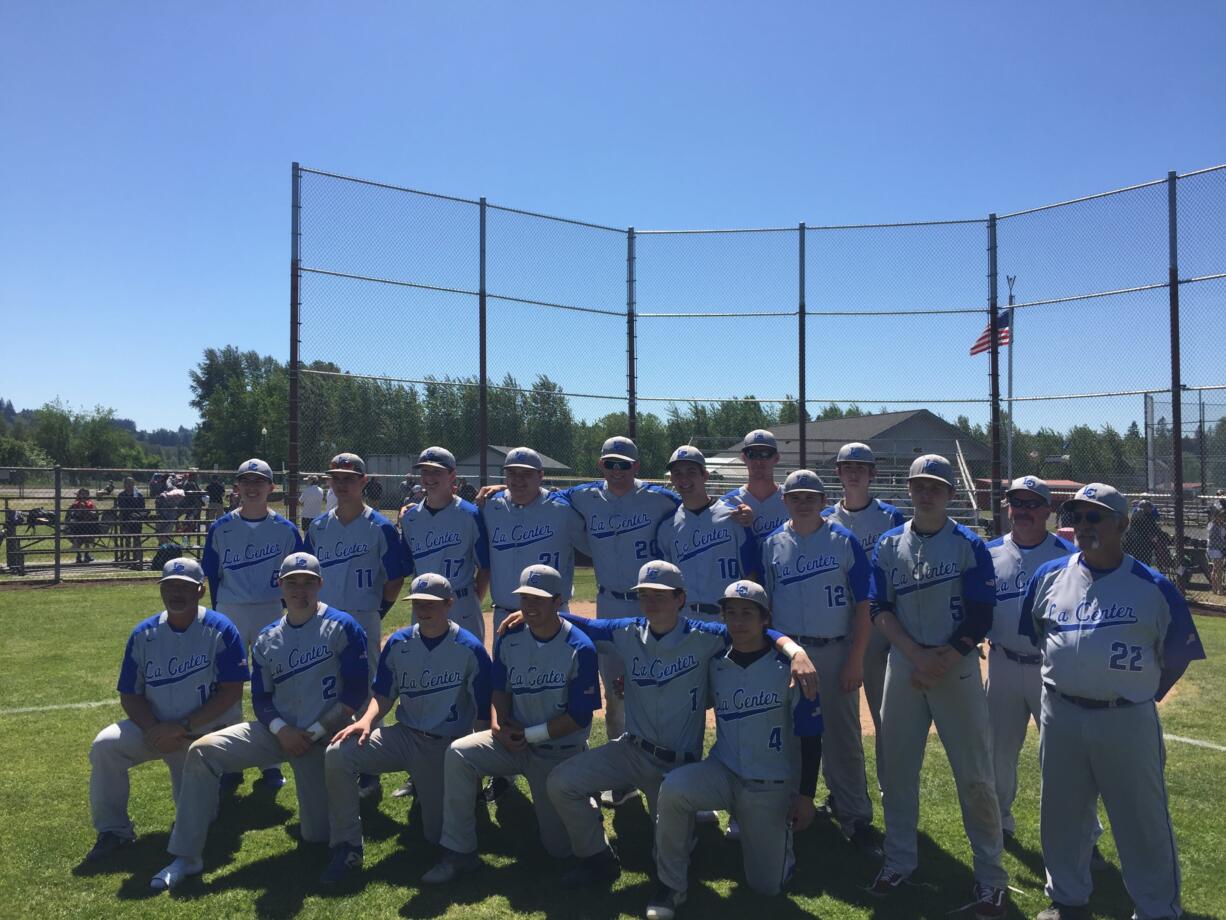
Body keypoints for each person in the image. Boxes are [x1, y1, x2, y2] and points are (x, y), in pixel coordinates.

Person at [536, 561, 817, 888]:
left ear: (680, 598)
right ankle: (596, 858)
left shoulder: (706, 635)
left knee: (692, 858)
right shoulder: (627, 630)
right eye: (645, 594)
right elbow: (585, 624)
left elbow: (758, 629)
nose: (651, 601)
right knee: (561, 782)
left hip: (675, 765)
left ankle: (689, 841)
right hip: (631, 750)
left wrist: (795, 650)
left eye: (661, 594)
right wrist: (539, 615)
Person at [1020, 483, 1205, 920]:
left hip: (1125, 718)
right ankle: (1067, 900)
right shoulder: (1049, 577)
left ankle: (1158, 909)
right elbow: (1037, 635)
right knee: (1061, 813)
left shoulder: (1152, 586)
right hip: (1060, 711)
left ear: (1122, 524)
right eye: (1077, 517)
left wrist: (1139, 693)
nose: (1083, 526)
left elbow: (1178, 654)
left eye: (1094, 516)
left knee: (1141, 822)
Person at [150, 553, 369, 891]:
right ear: (279, 586)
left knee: (317, 835)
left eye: (308, 581)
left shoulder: (343, 626)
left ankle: (345, 843)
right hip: (277, 731)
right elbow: (262, 699)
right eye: (292, 582)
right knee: (203, 751)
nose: (300, 589)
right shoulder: (268, 637)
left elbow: (354, 693)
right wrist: (283, 731)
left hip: (322, 736)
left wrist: (311, 733)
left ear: (320, 585)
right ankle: (186, 854)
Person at [866, 454, 1008, 918]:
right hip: (906, 667)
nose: (926, 493)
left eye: (935, 486)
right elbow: (879, 609)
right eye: (919, 485)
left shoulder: (969, 543)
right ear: (909, 489)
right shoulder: (889, 544)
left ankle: (990, 878)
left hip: (957, 669)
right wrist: (917, 655)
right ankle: (899, 860)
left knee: (974, 777)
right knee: (897, 774)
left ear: (949, 493)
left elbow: (981, 613)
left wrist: (942, 658)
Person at [646, 580, 824, 920]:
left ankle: (777, 846)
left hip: (767, 786)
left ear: (765, 620)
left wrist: (805, 796)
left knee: (765, 887)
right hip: (722, 772)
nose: (738, 622)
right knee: (673, 789)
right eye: (731, 614)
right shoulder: (715, 663)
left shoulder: (791, 671)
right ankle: (670, 885)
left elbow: (812, 736)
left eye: (747, 614)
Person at [420, 564, 601, 885]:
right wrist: (497, 725)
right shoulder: (510, 636)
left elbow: (579, 718)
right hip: (514, 743)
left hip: (556, 751)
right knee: (460, 753)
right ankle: (458, 850)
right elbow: (499, 689)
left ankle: (584, 801)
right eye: (525, 598)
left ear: (558, 601)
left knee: (558, 850)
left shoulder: (580, 647)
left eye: (539, 599)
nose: (529, 606)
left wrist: (525, 734)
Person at [322, 572, 492, 883]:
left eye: (432, 604)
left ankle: (464, 805)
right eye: (418, 604)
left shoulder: (469, 648)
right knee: (339, 753)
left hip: (445, 745)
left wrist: (473, 766)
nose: (424, 610)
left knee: (434, 834)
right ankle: (347, 846)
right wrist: (365, 721)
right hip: (403, 736)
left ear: (449, 604)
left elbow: (482, 712)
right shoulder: (400, 642)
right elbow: (384, 696)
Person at [82, 558, 247, 865]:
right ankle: (113, 831)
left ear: (200, 591)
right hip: (154, 729)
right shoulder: (143, 633)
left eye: (184, 587)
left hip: (200, 735)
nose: (176, 592)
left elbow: (231, 692)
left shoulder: (221, 629)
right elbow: (129, 695)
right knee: (105, 746)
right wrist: (153, 730)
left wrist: (181, 726)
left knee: (203, 818)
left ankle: (211, 793)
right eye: (169, 585)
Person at [554, 436, 681, 806]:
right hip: (609, 601)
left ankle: (668, 772)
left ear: (637, 467)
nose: (616, 470)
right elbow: (549, 498)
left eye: (624, 464)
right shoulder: (586, 495)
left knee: (659, 689)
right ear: (601, 466)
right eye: (610, 464)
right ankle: (622, 777)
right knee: (615, 694)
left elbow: (696, 505)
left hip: (650, 605)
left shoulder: (660, 497)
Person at [762, 468, 877, 854]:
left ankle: (854, 815)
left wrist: (855, 659)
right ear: (785, 501)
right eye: (796, 496)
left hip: (834, 649)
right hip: (789, 655)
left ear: (824, 501)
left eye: (811, 496)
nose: (804, 502)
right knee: (791, 737)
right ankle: (794, 810)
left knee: (842, 739)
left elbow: (864, 604)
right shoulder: (772, 543)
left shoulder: (844, 540)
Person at [984, 477, 1082, 847]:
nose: (1022, 511)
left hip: (1050, 666)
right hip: (1003, 663)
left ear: (1047, 510)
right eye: (1016, 503)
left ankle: (1081, 833)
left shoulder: (1067, 557)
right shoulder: (989, 552)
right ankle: (1000, 823)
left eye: (1031, 504)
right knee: (998, 751)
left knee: (1062, 756)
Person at [306, 452, 410, 799]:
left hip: (364, 616)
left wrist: (377, 610)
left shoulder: (379, 526)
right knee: (327, 689)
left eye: (350, 478)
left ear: (364, 482)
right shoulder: (319, 526)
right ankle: (328, 758)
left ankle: (368, 770)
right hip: (325, 618)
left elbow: (395, 578)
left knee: (366, 693)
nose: (342, 484)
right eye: (336, 478)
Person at [202, 458, 305, 791]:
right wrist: (220, 612)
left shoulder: (286, 529)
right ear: (237, 487)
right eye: (246, 480)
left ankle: (271, 763)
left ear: (270, 488)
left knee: (271, 686)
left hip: (270, 610)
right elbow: (213, 575)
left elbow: (297, 578)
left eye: (259, 481)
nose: (252, 487)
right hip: (231, 610)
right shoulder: (220, 527)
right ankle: (232, 761)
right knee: (228, 688)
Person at [820, 442, 905, 802]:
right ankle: (844, 793)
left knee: (886, 716)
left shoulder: (891, 517)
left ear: (873, 473)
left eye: (861, 466)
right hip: (838, 628)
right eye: (846, 466)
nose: (853, 472)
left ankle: (892, 789)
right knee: (838, 721)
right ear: (838, 473)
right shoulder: (824, 518)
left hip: (879, 628)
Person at [480, 446, 588, 635]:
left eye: (526, 474)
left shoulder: (562, 509)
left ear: (541, 476)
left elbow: (592, 547)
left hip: (551, 615)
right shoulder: (490, 506)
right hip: (504, 615)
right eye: (512, 473)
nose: (518, 479)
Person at [656, 446, 760, 622]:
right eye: (678, 473)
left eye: (691, 472)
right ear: (672, 478)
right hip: (685, 619)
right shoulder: (667, 526)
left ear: (705, 475)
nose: (684, 479)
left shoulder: (733, 517)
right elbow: (665, 581)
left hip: (726, 616)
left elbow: (750, 572)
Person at [399, 446, 490, 641]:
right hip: (423, 602)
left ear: (452, 476)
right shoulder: (410, 518)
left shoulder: (469, 515)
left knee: (468, 666)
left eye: (436, 472)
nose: (429, 477)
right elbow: (406, 565)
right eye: (425, 471)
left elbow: (485, 567)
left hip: (461, 602)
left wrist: (472, 600)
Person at [718, 429, 789, 543]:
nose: (758, 461)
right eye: (752, 454)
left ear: (776, 458)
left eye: (765, 454)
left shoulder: (792, 499)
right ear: (743, 458)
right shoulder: (729, 502)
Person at [115, 476, 147, 569]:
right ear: (124, 485)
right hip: (125, 520)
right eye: (127, 483)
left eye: (131, 483)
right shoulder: (121, 495)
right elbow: (123, 509)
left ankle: (137, 560)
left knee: (137, 540)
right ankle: (128, 560)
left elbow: (142, 509)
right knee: (127, 540)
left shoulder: (138, 495)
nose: (129, 485)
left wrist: (137, 514)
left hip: (136, 520)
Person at [67, 487, 99, 563]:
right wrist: (80, 510)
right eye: (82, 494)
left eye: (86, 494)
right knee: (79, 532)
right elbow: (72, 515)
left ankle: (86, 555)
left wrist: (87, 510)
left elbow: (95, 514)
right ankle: (78, 555)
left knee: (87, 533)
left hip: (89, 525)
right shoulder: (75, 504)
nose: (84, 495)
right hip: (78, 525)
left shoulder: (90, 503)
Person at [1208, 501, 1226, 595]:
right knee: (1218, 570)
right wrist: (1223, 547)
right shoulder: (1212, 525)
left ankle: (1215, 589)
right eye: (1222, 516)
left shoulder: (1222, 525)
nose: (1223, 517)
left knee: (1216, 569)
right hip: (1215, 549)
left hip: (1221, 549)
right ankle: (1220, 589)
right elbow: (1213, 540)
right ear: (1216, 516)